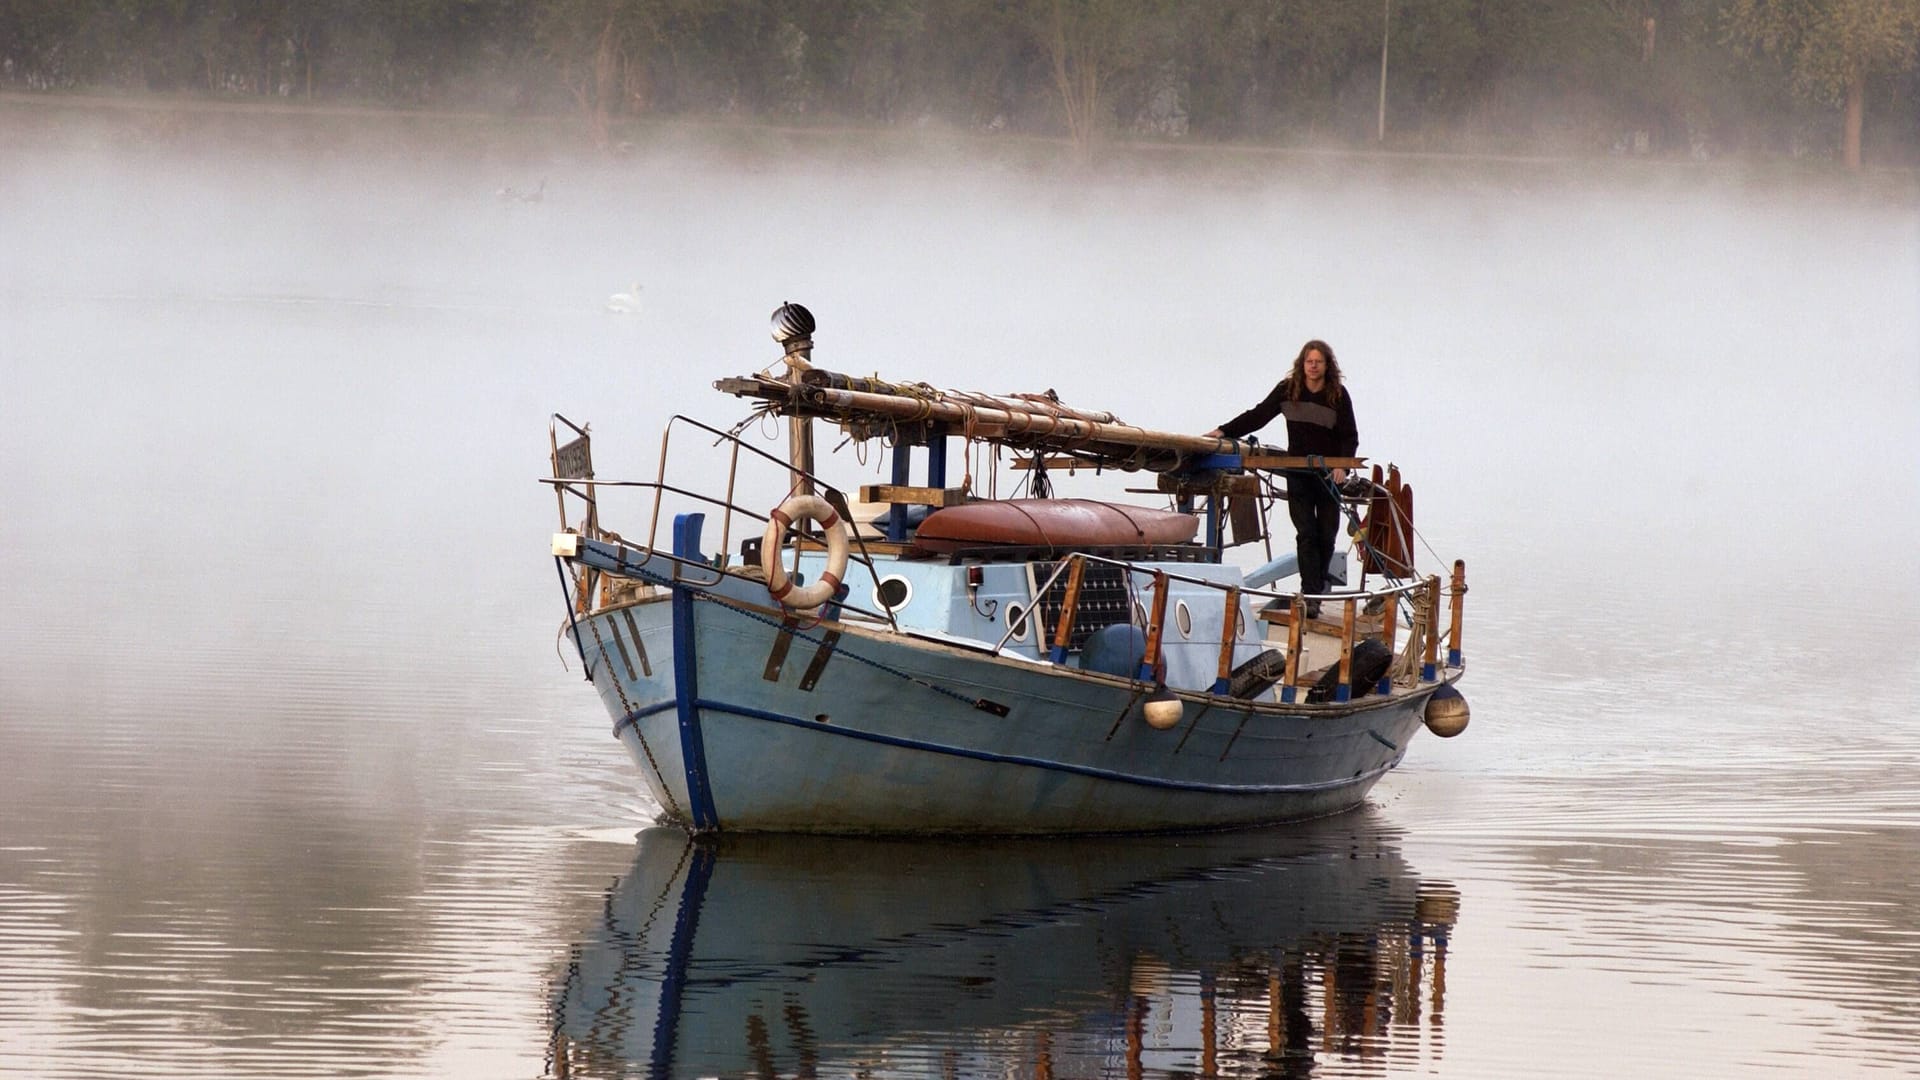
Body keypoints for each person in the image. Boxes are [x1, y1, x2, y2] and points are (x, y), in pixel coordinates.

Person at [1206, 339, 1358, 619]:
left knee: (1327, 535)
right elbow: (1258, 416)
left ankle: (1318, 586)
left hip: (1329, 474)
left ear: (1327, 366)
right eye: (1308, 362)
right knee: (1306, 534)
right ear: (1302, 364)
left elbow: (1350, 436)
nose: (1313, 367)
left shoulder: (1337, 394)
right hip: (1298, 472)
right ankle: (1310, 595)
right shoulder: (1288, 390)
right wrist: (1224, 430)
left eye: (1318, 362)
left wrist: (1343, 467)